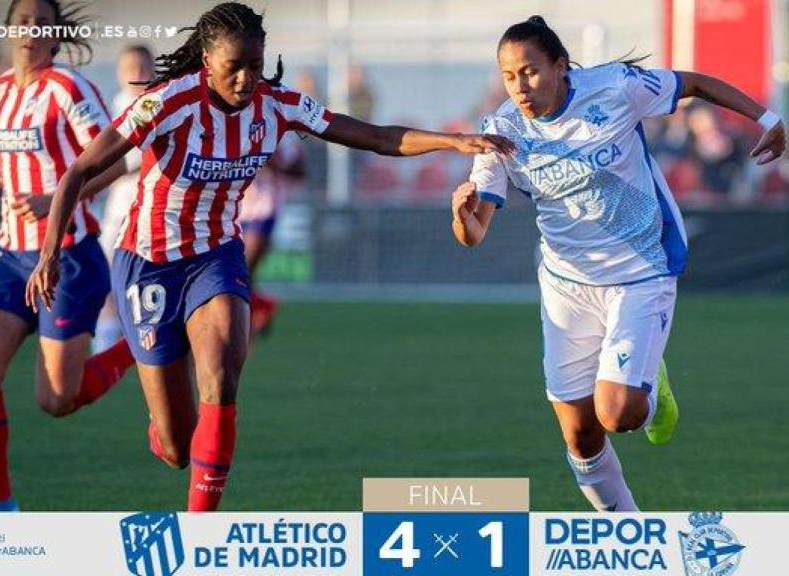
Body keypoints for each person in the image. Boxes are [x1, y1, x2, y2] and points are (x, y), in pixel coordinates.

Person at [25, 2, 513, 512]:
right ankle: (138, 362)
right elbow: (79, 171)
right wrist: (48, 254)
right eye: (233, 67)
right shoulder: (168, 102)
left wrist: (452, 141)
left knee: (219, 377)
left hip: (216, 256)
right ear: (207, 62)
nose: (245, 78)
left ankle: (201, 538)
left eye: (254, 66)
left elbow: (372, 136)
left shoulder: (277, 104)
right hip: (148, 260)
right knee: (175, 449)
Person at [450, 16, 785, 511]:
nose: (520, 86)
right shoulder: (501, 131)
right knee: (581, 437)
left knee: (618, 413)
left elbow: (692, 83)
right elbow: (474, 233)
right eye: (509, 76)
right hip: (567, 287)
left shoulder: (613, 87)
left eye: (531, 71)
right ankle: (627, 536)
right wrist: (461, 216)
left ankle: (653, 393)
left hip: (639, 269)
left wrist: (767, 119)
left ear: (560, 66)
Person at [0, 0, 135, 512]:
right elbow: (3, 165)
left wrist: (61, 199)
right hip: (9, 254)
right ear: (9, 30)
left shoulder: (69, 90)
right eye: (21, 21)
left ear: (54, 36)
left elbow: (118, 158)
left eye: (40, 23)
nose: (30, 30)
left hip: (68, 255)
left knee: (56, 400)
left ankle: (138, 346)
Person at [93, 44, 156, 353]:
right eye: (130, 68)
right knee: (105, 278)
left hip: (153, 214)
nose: (137, 74)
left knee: (145, 287)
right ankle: (106, 346)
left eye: (143, 67)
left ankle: (147, 346)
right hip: (119, 211)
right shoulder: (113, 109)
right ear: (120, 74)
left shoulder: (161, 106)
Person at [238, 138, 303, 335]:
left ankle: (247, 318)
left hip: (265, 209)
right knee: (234, 271)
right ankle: (260, 306)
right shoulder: (231, 125)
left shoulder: (285, 136)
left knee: (244, 270)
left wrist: (271, 163)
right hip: (235, 207)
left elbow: (300, 171)